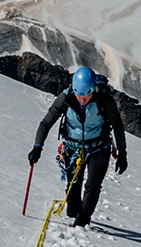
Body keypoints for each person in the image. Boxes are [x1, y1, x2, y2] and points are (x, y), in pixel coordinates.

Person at [28, 66, 127, 227]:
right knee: (73, 187)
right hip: (72, 148)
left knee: (93, 186)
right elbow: (46, 122)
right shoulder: (66, 98)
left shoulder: (103, 100)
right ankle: (74, 212)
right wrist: (37, 146)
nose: (82, 99)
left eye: (87, 95)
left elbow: (117, 125)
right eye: (79, 95)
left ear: (93, 90)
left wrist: (122, 153)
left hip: (99, 147)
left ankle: (82, 221)